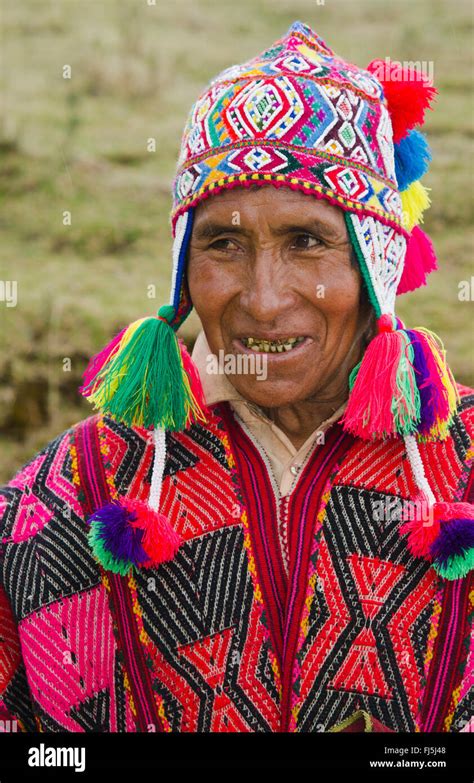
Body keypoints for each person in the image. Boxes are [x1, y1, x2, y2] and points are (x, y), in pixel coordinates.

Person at [0, 21, 472, 734]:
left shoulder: (461, 469)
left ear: (374, 267)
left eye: (307, 241)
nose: (263, 298)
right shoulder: (74, 491)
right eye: (223, 242)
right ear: (183, 269)